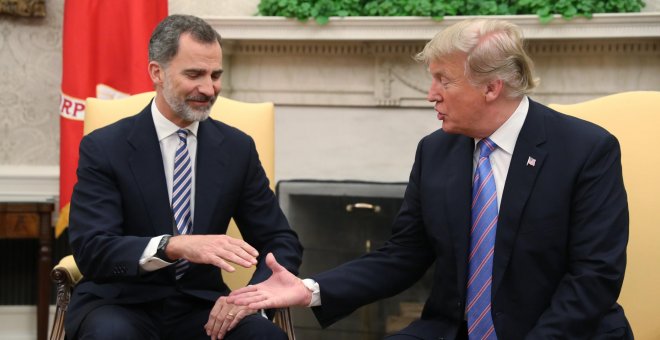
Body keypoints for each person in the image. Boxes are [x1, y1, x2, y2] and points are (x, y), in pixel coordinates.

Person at [228, 18, 632, 339]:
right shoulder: (436, 151)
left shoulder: (585, 150)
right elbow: (402, 255)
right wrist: (309, 289)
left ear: (492, 87)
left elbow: (594, 278)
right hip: (449, 330)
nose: (430, 94)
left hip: (558, 332)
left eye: (444, 79)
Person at [66, 14, 302, 340]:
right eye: (194, 74)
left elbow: (280, 241)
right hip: (119, 303)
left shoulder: (237, 148)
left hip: (203, 306)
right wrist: (174, 246)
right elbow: (93, 250)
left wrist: (251, 299)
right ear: (157, 73)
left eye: (215, 75)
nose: (208, 88)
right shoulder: (105, 147)